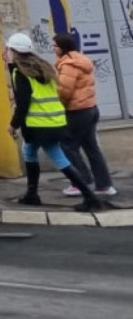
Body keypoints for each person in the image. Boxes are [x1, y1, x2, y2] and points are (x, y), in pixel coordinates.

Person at [5, 33, 103, 212]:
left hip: (38, 124)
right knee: (30, 150)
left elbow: (23, 102)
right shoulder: (44, 67)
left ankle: (90, 197)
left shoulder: (20, 72)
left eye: (8, 49)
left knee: (56, 156)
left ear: (14, 52)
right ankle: (32, 194)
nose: (6, 53)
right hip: (55, 120)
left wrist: (13, 124)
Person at [53, 33, 116, 197]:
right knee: (91, 147)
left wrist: (60, 104)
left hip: (77, 110)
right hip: (91, 108)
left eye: (55, 46)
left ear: (63, 47)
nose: (53, 49)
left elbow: (64, 91)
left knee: (68, 146)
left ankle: (80, 182)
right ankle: (104, 185)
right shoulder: (81, 60)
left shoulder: (68, 65)